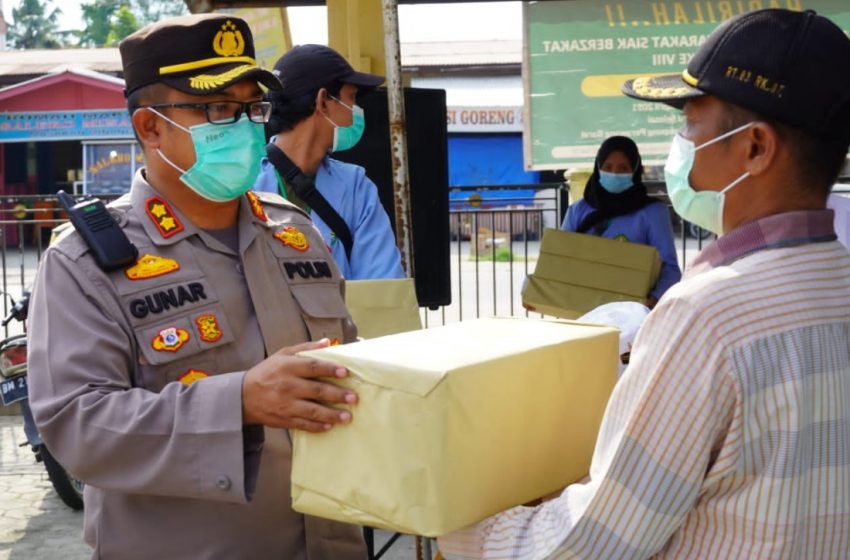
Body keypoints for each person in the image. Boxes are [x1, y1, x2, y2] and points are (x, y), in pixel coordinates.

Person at [440, 8, 850, 558]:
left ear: (755, 147)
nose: (680, 148)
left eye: (690, 127)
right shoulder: (836, 280)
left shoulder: (706, 316)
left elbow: (591, 542)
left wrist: (456, 519)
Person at [27, 15, 367, 559]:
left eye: (249, 109)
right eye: (214, 109)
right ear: (150, 128)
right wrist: (238, 403)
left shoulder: (294, 232)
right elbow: (77, 426)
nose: (241, 127)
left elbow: (349, 376)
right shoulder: (85, 262)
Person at [253, 44, 405, 280]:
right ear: (323, 101)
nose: (356, 110)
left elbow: (381, 285)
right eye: (352, 98)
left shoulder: (356, 186)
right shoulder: (245, 184)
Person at [561, 136, 681, 306]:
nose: (615, 173)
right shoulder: (578, 211)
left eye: (623, 168)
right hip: (584, 312)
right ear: (598, 167)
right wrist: (538, 291)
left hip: (634, 314)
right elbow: (560, 261)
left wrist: (652, 300)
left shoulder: (653, 212)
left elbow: (670, 268)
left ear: (635, 170)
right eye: (608, 167)